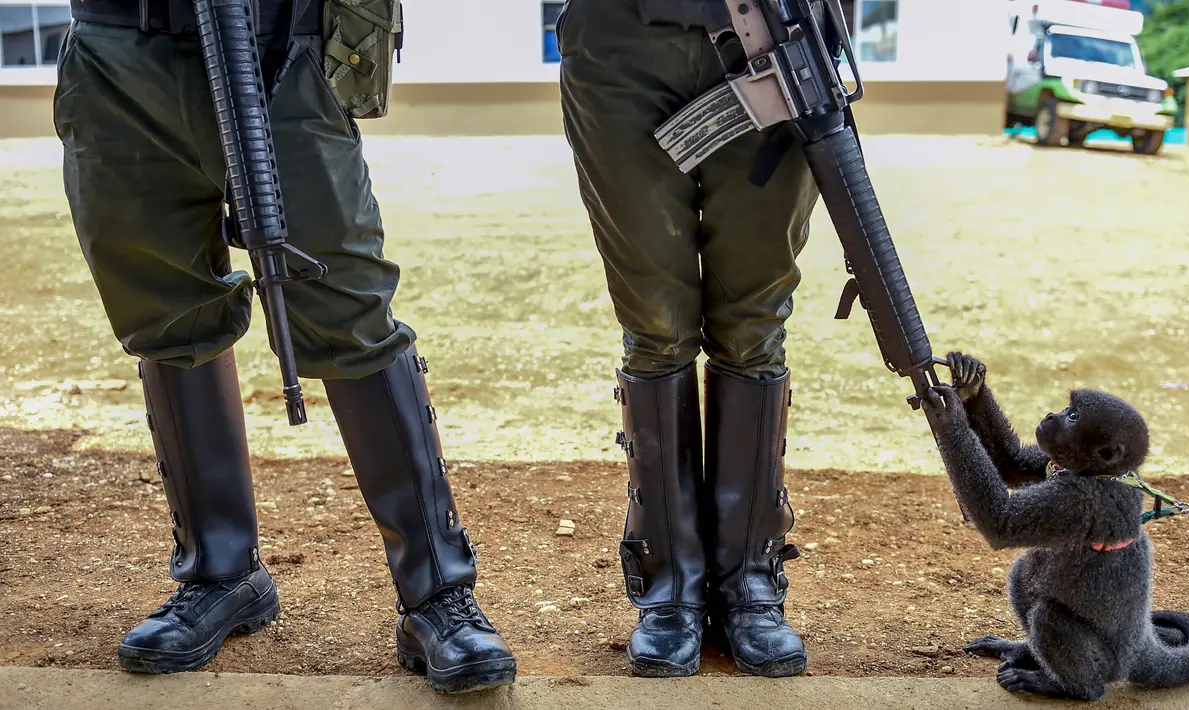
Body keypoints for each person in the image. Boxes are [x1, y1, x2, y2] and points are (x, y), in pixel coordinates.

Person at [51, 0, 516, 695]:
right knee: (168, 318)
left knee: (346, 312)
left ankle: (436, 596)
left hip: (272, 49)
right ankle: (220, 574)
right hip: (118, 49)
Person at [555, 0, 819, 680]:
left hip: (779, 32)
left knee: (753, 324)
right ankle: (669, 584)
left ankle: (748, 583)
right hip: (621, 38)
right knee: (655, 325)